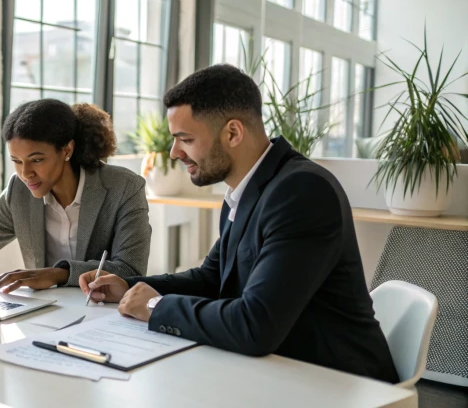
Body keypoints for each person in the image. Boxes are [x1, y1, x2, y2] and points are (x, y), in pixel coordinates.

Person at [79, 64, 400, 383]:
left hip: (339, 382)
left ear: (233, 132)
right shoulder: (247, 188)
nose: (175, 152)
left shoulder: (302, 192)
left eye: (185, 139)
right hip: (280, 370)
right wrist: (131, 287)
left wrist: (155, 305)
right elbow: (213, 277)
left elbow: (255, 325)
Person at [0, 99, 151, 293]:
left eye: (36, 160)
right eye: (17, 161)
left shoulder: (124, 187)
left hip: (102, 311)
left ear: (67, 150)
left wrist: (59, 274)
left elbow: (130, 269)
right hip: (43, 310)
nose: (25, 173)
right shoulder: (19, 190)